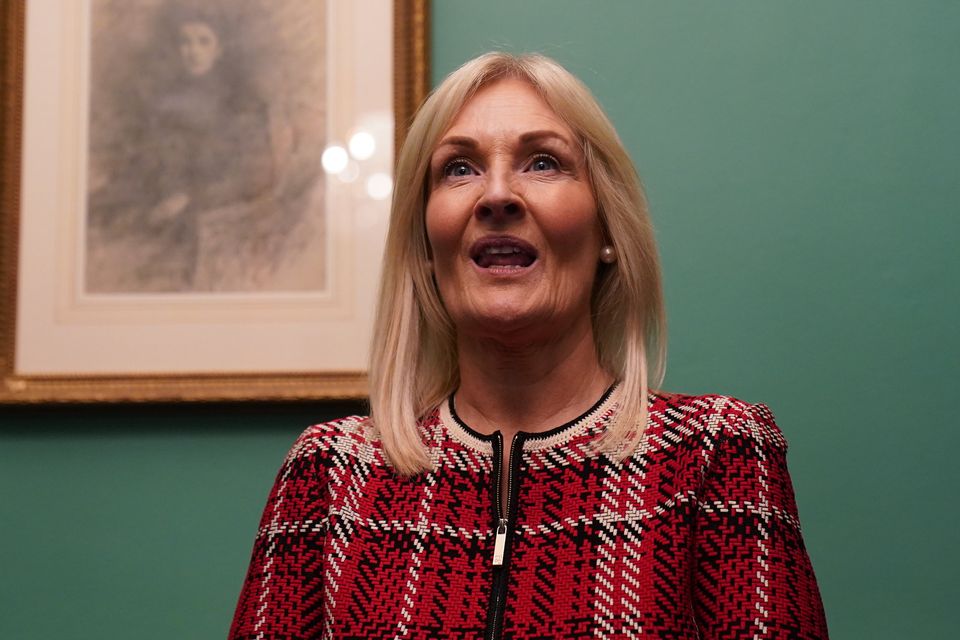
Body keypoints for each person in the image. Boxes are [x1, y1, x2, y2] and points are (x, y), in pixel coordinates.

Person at [230, 53, 829, 639]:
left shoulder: (714, 454)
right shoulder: (330, 475)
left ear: (607, 229)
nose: (497, 195)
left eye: (543, 162)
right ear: (424, 243)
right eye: (458, 168)